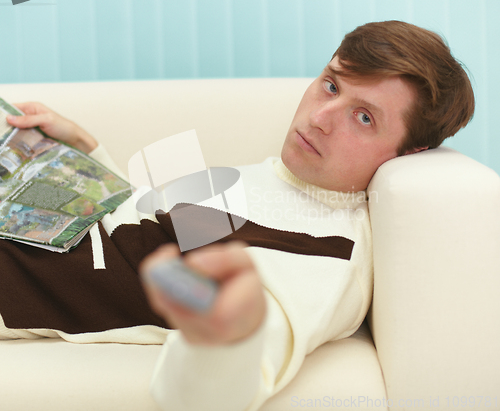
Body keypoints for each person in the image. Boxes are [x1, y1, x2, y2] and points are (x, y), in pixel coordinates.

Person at [0, 21, 474, 410]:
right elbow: (144, 225)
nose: (320, 117)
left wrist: (224, 336)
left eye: (364, 117)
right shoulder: (279, 181)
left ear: (409, 151)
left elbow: (225, 368)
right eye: (331, 85)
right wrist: (81, 148)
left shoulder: (328, 254)